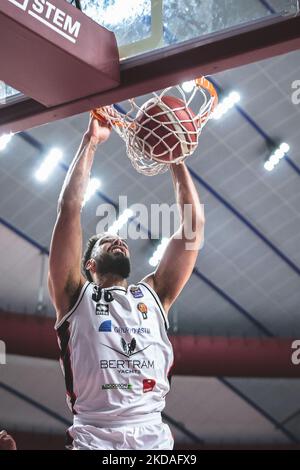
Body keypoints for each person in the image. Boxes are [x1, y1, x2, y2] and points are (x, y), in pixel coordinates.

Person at [48, 114, 204, 450]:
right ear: (90, 265)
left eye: (120, 239)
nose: (118, 240)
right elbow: (70, 208)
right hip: (95, 436)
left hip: (152, 435)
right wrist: (91, 143)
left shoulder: (153, 294)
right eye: (107, 240)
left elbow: (194, 228)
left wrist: (174, 158)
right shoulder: (75, 295)